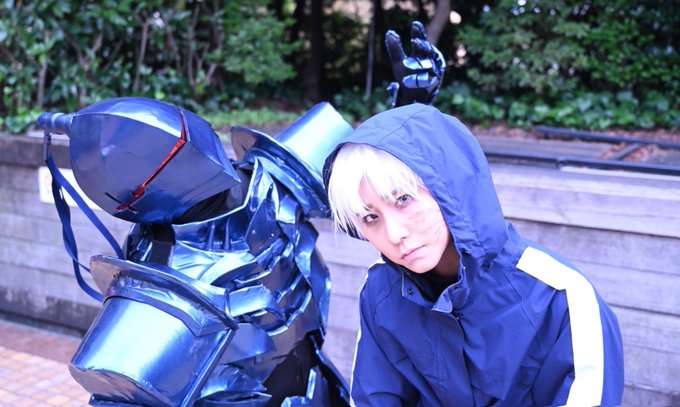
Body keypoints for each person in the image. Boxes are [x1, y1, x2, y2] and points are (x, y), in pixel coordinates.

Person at [322, 103, 625, 406]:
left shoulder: (560, 298)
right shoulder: (382, 291)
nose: (394, 234)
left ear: (449, 186)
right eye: (370, 217)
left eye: (403, 199)